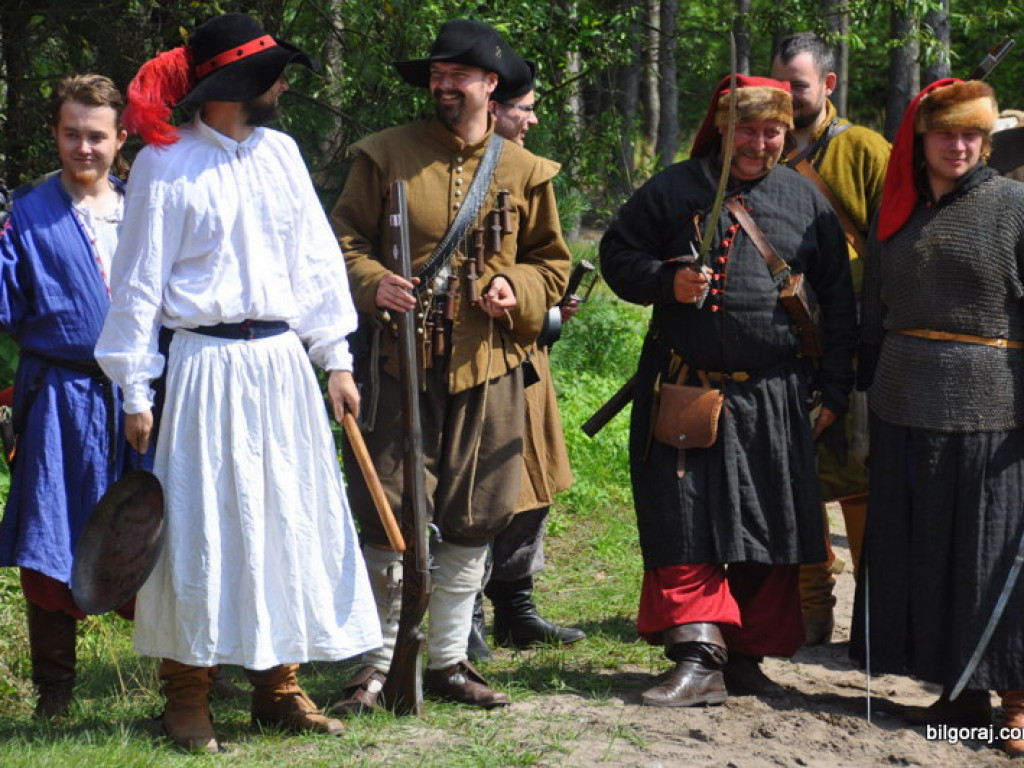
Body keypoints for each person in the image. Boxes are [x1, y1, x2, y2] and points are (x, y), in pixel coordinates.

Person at [94, 13, 381, 752]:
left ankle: (276, 687)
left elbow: (314, 262)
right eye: (276, 74)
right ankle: (186, 695)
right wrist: (134, 389)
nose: (285, 85)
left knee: (284, 519)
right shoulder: (165, 163)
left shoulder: (281, 154)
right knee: (199, 528)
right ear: (241, 85)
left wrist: (336, 357)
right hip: (204, 369)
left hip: (281, 367)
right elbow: (137, 288)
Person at [330, 19, 571, 711]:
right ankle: (375, 666)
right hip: (397, 363)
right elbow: (339, 241)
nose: (442, 83)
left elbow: (550, 263)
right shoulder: (383, 156)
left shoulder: (527, 171)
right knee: (389, 507)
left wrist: (515, 290)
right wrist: (373, 278)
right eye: (437, 73)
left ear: (490, 86)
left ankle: (447, 661)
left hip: (488, 364)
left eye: (457, 74)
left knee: (476, 511)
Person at [599, 75, 856, 707]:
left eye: (772, 131)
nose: (759, 142)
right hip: (688, 390)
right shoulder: (676, 189)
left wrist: (835, 391)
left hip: (775, 398)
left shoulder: (806, 201)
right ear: (721, 127)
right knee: (684, 524)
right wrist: (668, 281)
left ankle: (744, 659)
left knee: (767, 530)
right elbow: (617, 253)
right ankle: (697, 656)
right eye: (747, 129)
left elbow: (841, 306)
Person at [851, 78, 1024, 757]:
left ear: (985, 142)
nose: (959, 146)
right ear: (920, 139)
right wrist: (856, 395)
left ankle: (1017, 702)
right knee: (931, 552)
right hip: (902, 402)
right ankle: (961, 693)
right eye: (947, 133)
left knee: (993, 556)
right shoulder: (895, 211)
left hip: (996, 410)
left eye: (972, 136)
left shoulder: (1013, 206)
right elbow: (874, 314)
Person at [0, 74, 130, 719]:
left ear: (119, 138)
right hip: (57, 397)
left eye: (96, 136)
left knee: (157, 526)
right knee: (54, 535)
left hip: (141, 398)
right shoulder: (23, 213)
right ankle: (55, 694)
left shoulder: (143, 208)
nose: (84, 148)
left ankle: (189, 678)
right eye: (72, 134)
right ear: (56, 134)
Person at [770, 31, 891, 645]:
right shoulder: (761, 145)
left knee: (858, 477)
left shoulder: (866, 150)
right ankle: (811, 610)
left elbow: (895, 242)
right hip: (783, 343)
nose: (788, 97)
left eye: (799, 85)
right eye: (781, 84)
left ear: (828, 84)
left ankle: (870, 620)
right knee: (796, 478)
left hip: (855, 341)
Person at [467, 55, 586, 658]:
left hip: (527, 354)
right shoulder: (456, 167)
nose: (533, 119)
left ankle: (516, 606)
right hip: (471, 355)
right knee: (482, 487)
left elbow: (549, 258)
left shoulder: (529, 172)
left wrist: (542, 297)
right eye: (525, 108)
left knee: (533, 481)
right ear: (493, 106)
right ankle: (468, 613)